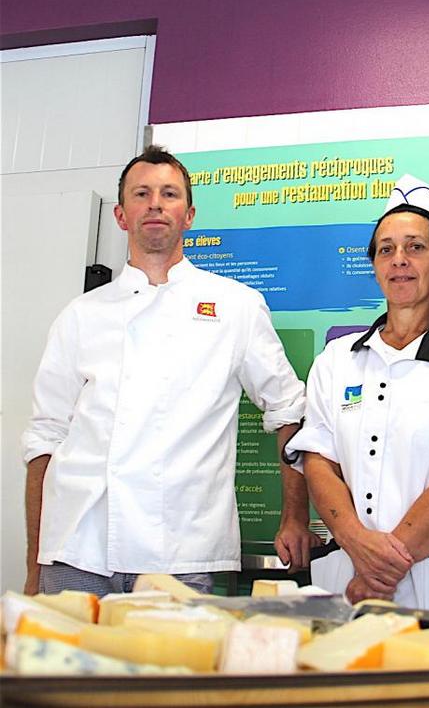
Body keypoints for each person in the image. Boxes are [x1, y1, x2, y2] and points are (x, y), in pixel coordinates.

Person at [22, 145, 319, 596]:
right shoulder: (80, 315)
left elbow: (288, 412)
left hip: (180, 552)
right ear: (122, 215)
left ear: (189, 214)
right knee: (63, 667)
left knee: (171, 667)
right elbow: (45, 440)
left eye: (169, 194)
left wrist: (294, 515)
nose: (155, 204)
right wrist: (34, 566)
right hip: (75, 549)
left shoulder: (235, 306)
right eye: (141, 194)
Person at [284, 175, 429, 613]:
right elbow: (318, 462)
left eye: (415, 247)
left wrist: (380, 566)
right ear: (374, 264)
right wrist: (358, 548)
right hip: (348, 584)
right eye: (386, 249)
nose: (399, 260)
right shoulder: (336, 359)